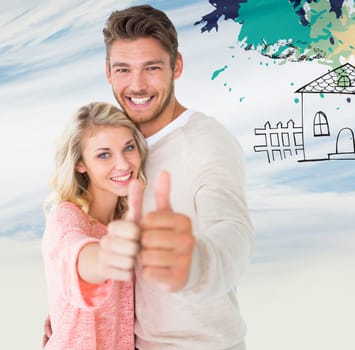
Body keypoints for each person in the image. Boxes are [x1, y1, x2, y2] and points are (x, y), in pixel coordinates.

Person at [102, 5, 254, 349]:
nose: (137, 85)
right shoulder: (114, 146)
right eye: (123, 69)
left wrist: (197, 264)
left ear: (177, 66)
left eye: (152, 68)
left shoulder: (208, 142)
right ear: (108, 73)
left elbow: (233, 229)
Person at [41, 102, 148, 349]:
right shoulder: (65, 218)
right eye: (104, 154)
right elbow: (78, 255)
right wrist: (108, 256)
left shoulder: (125, 219)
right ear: (80, 163)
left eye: (128, 148)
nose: (123, 164)